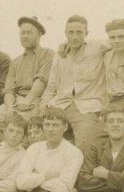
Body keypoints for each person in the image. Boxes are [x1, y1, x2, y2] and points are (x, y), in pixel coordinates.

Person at [40, 15, 111, 149]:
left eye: (79, 32)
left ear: (86, 34)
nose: (74, 37)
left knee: (85, 143)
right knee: (41, 137)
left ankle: (81, 170)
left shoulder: (96, 47)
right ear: (65, 33)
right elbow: (51, 86)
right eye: (71, 32)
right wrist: (43, 105)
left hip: (87, 107)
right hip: (61, 105)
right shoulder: (60, 56)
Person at [0, 16, 54, 142]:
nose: (25, 36)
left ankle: (26, 148)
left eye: (29, 33)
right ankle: (20, 147)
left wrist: (27, 100)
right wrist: (10, 108)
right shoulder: (16, 61)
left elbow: (41, 81)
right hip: (17, 101)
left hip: (36, 100)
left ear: (39, 35)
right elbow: (9, 89)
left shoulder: (47, 54)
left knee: (19, 122)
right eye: (22, 33)